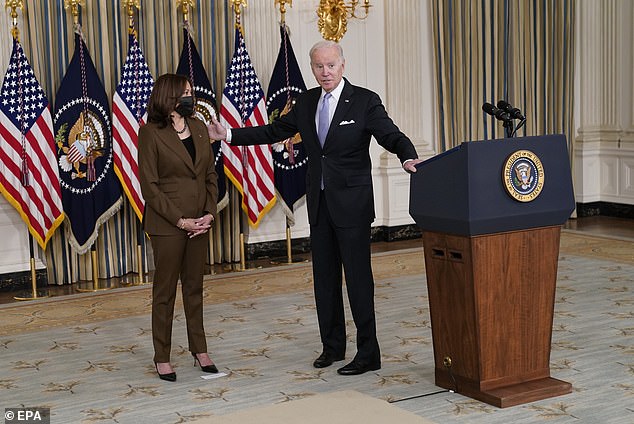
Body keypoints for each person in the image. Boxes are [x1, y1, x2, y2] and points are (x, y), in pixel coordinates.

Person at [208, 40, 422, 375]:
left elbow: (390, 135)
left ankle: (369, 353)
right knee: (324, 281)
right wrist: (229, 135)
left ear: (343, 65)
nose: (325, 72)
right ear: (312, 68)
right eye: (319, 66)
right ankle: (333, 348)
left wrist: (407, 154)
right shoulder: (306, 101)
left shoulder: (364, 100)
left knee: (358, 281)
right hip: (320, 205)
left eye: (331, 65)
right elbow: (275, 130)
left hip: (352, 206)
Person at [139, 73, 219, 382]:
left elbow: (210, 175)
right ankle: (162, 356)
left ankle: (200, 350)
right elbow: (151, 187)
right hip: (168, 225)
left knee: (195, 288)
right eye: (184, 92)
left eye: (191, 90)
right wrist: (181, 220)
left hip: (200, 221)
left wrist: (209, 214)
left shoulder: (199, 127)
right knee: (165, 292)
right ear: (168, 96)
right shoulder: (150, 133)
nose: (190, 96)